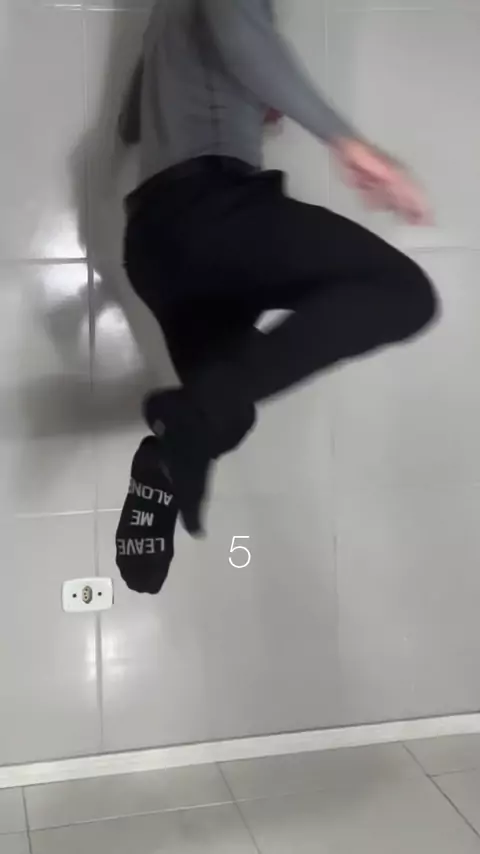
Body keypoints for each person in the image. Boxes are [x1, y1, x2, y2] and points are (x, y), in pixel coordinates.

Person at [115, 0, 439, 595]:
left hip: (155, 248)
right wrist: (346, 142)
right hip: (209, 212)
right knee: (404, 292)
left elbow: (131, 122)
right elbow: (239, 34)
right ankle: (183, 424)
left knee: (226, 405)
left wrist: (237, 104)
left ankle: (161, 466)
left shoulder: (162, 20)